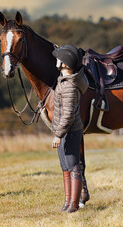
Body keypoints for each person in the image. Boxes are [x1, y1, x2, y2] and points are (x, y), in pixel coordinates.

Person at [51, 45, 89, 213]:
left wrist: (58, 135)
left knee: (73, 166)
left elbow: (68, 115)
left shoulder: (69, 87)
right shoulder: (64, 81)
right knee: (65, 166)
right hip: (64, 131)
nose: (56, 61)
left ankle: (74, 204)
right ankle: (67, 202)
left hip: (70, 132)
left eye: (59, 59)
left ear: (65, 64)